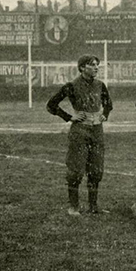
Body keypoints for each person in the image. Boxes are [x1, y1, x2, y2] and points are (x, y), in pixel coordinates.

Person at [47, 54, 113, 216]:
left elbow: (108, 104)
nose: (96, 67)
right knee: (76, 171)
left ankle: (93, 206)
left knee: (96, 170)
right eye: (92, 65)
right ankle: (74, 206)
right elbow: (51, 105)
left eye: (97, 64)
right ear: (82, 68)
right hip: (80, 131)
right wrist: (69, 117)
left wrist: (105, 114)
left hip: (97, 131)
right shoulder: (72, 85)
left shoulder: (100, 85)